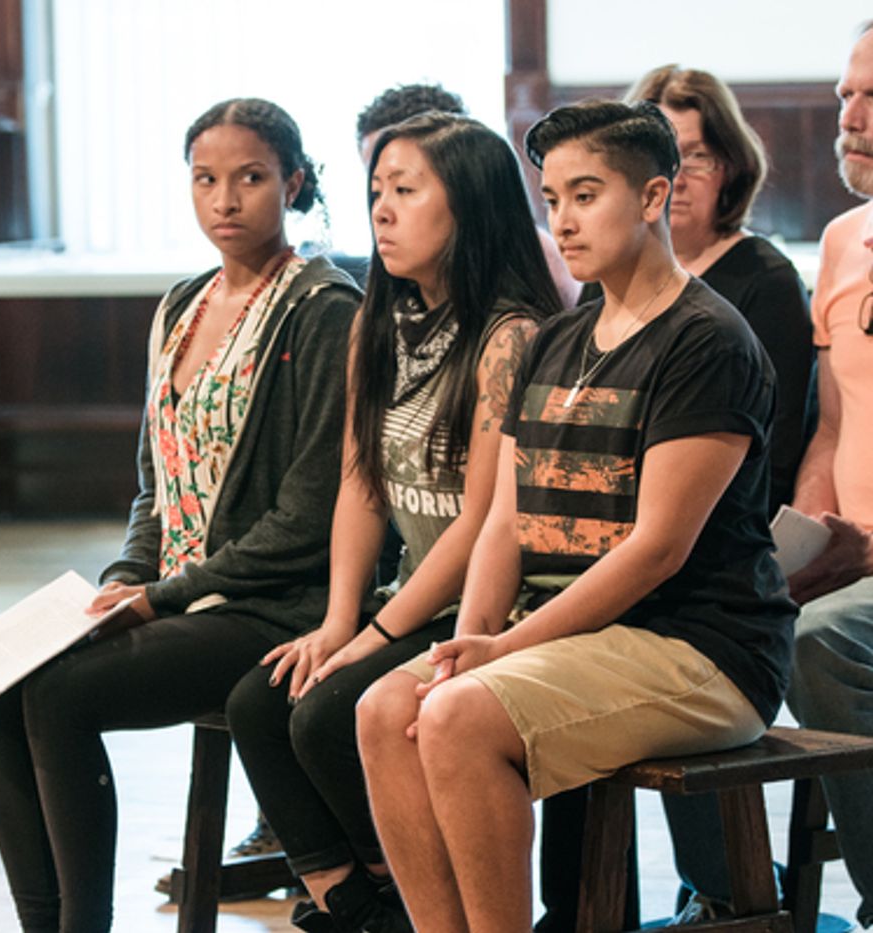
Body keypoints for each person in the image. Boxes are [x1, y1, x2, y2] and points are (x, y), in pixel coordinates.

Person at [356, 99, 795, 933]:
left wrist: (503, 651)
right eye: (551, 199)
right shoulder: (558, 339)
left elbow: (657, 551)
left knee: (453, 716)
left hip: (700, 644)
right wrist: (471, 640)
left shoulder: (707, 340)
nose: (562, 220)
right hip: (573, 640)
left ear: (654, 196)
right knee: (385, 709)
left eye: (585, 195)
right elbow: (503, 525)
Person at [0, 97, 361, 933]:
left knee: (62, 693)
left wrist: (166, 595)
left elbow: (309, 513)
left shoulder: (324, 309)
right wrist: (125, 578)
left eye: (250, 178)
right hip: (178, 594)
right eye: (205, 179)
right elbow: (157, 481)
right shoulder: (181, 304)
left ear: (291, 183)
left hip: (272, 605)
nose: (225, 200)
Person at [226, 112, 561, 933]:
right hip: (404, 595)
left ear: (471, 207)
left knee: (327, 711)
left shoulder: (510, 335)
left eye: (407, 192)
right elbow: (359, 486)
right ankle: (356, 900)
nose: (382, 210)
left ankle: (411, 898)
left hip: (481, 602)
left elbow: (481, 520)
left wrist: (373, 636)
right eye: (378, 191)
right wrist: (340, 619)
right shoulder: (380, 318)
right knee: (260, 702)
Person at [538, 64, 816, 927]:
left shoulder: (744, 294)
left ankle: (723, 886)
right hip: (612, 545)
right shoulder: (595, 303)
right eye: (557, 196)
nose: (685, 176)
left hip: (729, 544)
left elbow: (760, 458)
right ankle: (582, 907)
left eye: (698, 155)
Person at [785, 21, 873, 931]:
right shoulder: (844, 240)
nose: (849, 116)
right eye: (846, 92)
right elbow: (833, 425)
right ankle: (729, 891)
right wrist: (807, 537)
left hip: (864, 587)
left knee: (821, 641)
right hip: (850, 566)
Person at [354, 85, 582, 309]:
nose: (380, 211)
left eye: (403, 188)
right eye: (376, 189)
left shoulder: (534, 262)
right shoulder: (395, 300)